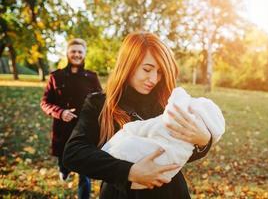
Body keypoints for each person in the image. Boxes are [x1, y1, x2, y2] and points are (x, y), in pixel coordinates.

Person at [63, 32, 212, 199]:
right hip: (121, 194)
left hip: (170, 192)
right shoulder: (99, 104)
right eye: (147, 69)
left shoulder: (167, 103)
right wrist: (129, 172)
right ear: (128, 64)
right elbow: (73, 153)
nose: (154, 79)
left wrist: (203, 141)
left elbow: (178, 153)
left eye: (160, 72)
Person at [40, 38, 102, 199]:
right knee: (64, 164)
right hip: (62, 131)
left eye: (80, 52)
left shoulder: (92, 77)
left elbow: (101, 101)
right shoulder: (56, 77)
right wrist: (60, 112)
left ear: (84, 54)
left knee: (84, 173)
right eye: (73, 51)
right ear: (67, 53)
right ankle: (63, 168)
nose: (76, 54)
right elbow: (45, 102)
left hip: (85, 130)